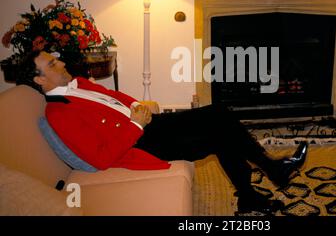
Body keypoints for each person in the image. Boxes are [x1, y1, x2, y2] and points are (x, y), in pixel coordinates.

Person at [17, 50, 309, 214]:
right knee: (220, 134)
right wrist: (136, 124)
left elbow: (114, 97)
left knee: (220, 112)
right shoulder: (57, 113)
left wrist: (139, 107)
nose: (62, 62)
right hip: (139, 143)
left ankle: (259, 184)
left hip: (148, 125)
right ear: (38, 78)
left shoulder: (80, 83)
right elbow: (100, 157)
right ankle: (268, 175)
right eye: (52, 63)